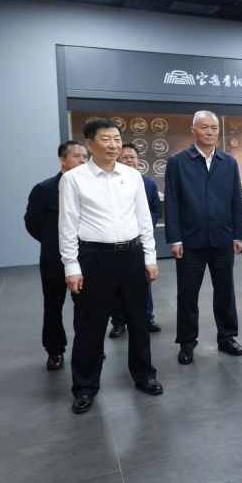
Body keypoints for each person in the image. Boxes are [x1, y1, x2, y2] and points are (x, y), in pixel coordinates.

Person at [59, 118, 162, 414]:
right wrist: (71, 267)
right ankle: (85, 387)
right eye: (106, 139)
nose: (114, 145)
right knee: (90, 325)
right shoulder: (74, 179)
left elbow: (144, 220)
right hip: (94, 258)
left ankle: (144, 375)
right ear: (89, 144)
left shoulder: (132, 176)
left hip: (131, 255)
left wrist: (150, 258)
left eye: (117, 138)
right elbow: (67, 226)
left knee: (138, 321)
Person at [164, 110, 242, 365]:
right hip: (190, 242)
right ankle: (187, 342)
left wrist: (238, 235)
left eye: (214, 128)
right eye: (204, 127)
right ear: (193, 130)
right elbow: (172, 202)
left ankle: (227, 336)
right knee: (187, 295)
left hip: (222, 239)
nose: (210, 132)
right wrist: (175, 239)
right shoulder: (178, 161)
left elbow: (236, 199)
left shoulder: (228, 162)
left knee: (225, 292)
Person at [24, 140, 88, 371]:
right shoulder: (45, 189)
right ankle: (55, 349)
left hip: (86, 255)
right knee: (53, 304)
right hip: (54, 258)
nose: (83, 160)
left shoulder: (89, 187)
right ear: (62, 159)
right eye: (77, 156)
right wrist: (52, 242)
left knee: (86, 305)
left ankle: (86, 348)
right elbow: (32, 223)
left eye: (85, 156)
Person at [109, 143, 162, 338]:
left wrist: (143, 228)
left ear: (138, 161)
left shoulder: (147, 183)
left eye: (132, 157)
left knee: (143, 281)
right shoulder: (109, 183)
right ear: (116, 159)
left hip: (140, 241)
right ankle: (118, 321)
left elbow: (155, 209)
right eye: (124, 157)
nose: (129, 160)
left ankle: (147, 317)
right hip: (115, 242)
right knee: (115, 284)